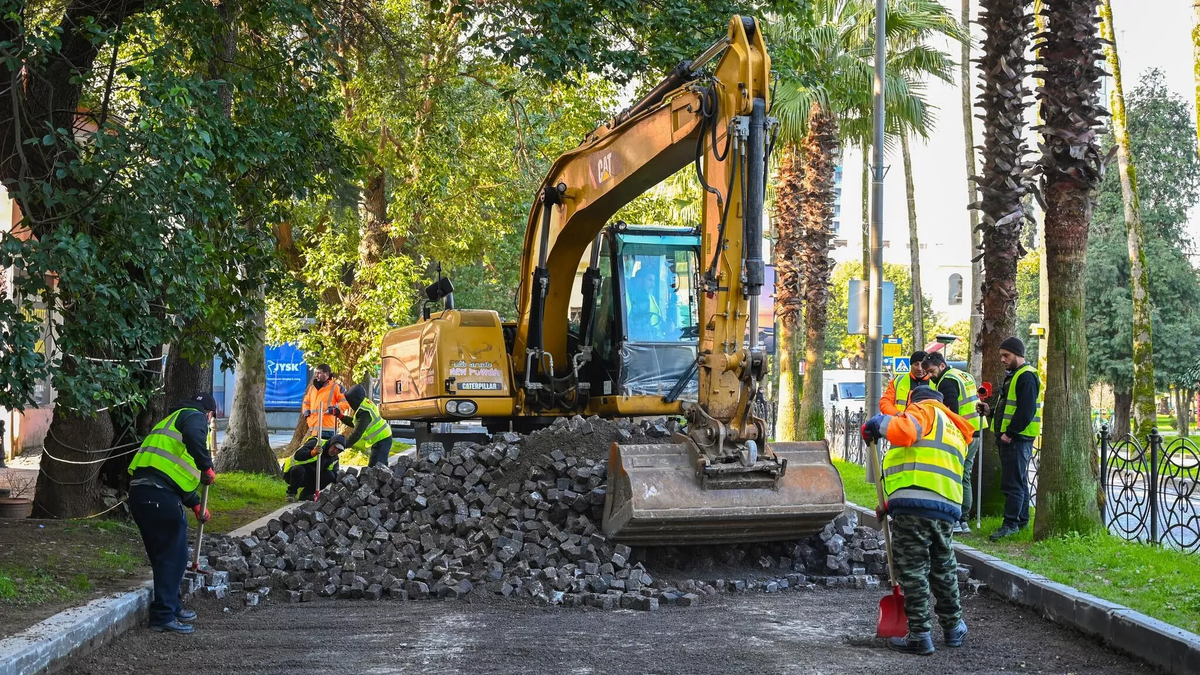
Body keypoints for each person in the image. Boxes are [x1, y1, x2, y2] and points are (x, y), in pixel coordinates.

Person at [862, 386, 973, 655]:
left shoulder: (923, 411)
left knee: (913, 571)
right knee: (943, 568)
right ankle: (953, 628)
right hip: (944, 509)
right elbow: (931, 472)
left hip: (913, 511)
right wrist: (892, 504)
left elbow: (906, 432)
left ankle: (920, 635)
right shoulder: (955, 430)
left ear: (914, 402)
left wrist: (878, 423)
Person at [126, 393, 217, 634]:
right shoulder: (194, 417)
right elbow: (195, 437)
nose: (208, 422)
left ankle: (172, 607)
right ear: (208, 413)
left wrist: (195, 503)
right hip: (158, 496)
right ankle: (163, 615)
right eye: (210, 418)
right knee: (173, 557)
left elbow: (170, 471)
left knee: (165, 557)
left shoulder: (169, 421)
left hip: (143, 493)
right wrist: (206, 466)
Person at [921, 352, 983, 534]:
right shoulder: (963, 374)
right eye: (927, 373)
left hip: (963, 433)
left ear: (941, 365)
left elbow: (951, 412)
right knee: (966, 473)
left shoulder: (947, 381)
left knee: (957, 475)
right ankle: (964, 519)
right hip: (975, 429)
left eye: (931, 371)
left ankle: (958, 517)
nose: (930, 376)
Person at [990, 337, 1041, 541]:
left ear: (1018, 354)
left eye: (1006, 355)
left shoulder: (1026, 376)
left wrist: (1009, 433)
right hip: (1014, 436)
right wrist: (990, 411)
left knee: (1012, 483)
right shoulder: (1016, 375)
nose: (1002, 359)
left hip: (1017, 438)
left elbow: (1026, 410)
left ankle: (1010, 523)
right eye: (1001, 355)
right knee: (1018, 480)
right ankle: (1021, 520)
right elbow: (1009, 408)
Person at [339, 384, 394, 467]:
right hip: (382, 438)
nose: (350, 404)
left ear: (354, 400)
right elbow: (356, 424)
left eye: (350, 401)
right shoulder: (364, 405)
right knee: (380, 467)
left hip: (382, 440)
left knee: (375, 469)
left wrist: (343, 446)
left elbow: (357, 434)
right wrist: (340, 416)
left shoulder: (364, 413)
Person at [284, 434, 346, 501]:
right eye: (334, 447)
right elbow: (298, 455)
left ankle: (306, 494)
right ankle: (291, 493)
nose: (335, 451)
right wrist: (312, 453)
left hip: (312, 478)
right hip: (293, 475)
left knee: (330, 475)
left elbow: (335, 475)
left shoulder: (334, 459)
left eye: (339, 450)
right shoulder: (316, 443)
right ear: (331, 443)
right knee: (298, 469)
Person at [302, 364, 349, 443]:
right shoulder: (312, 388)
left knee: (327, 452)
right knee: (316, 451)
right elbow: (306, 402)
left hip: (328, 428)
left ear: (327, 374)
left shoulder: (335, 387)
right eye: (316, 373)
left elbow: (345, 402)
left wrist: (335, 409)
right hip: (314, 427)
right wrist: (306, 411)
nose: (316, 375)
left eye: (319, 373)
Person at [879, 350, 928, 415]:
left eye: (923, 365)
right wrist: (897, 414)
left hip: (926, 424)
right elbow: (885, 402)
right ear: (910, 365)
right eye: (916, 364)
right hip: (901, 423)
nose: (919, 368)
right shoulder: (898, 381)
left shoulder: (935, 383)